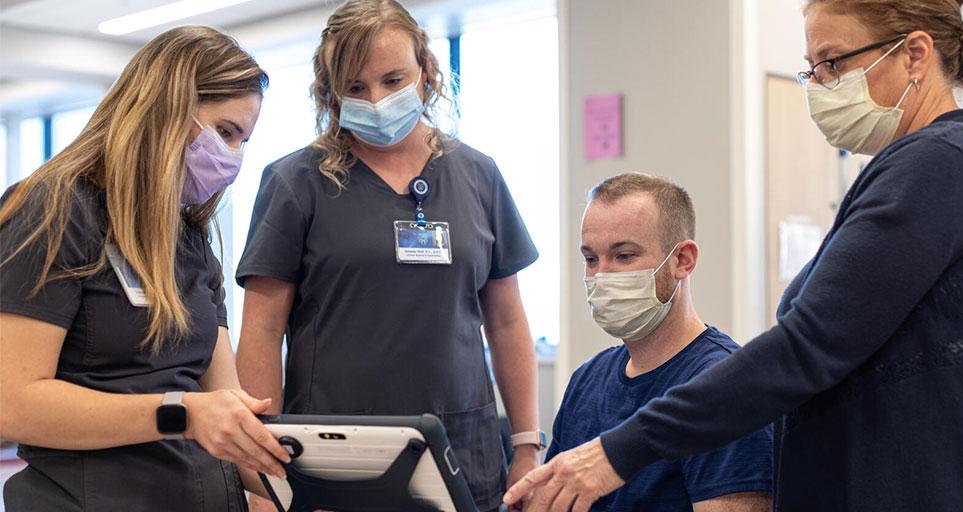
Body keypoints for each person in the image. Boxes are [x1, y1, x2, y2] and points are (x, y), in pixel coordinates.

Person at [505, 1, 963, 511]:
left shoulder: (944, 162)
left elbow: (808, 347)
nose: (819, 84)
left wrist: (619, 451)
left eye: (833, 63)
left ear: (914, 54)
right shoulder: (931, 164)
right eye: (811, 69)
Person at [234, 1, 542, 510]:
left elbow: (507, 321)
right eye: (355, 87)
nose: (376, 99)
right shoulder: (295, 183)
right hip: (333, 457)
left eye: (393, 79)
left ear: (425, 70)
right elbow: (262, 333)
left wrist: (527, 445)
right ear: (330, 92)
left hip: (464, 448)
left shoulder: (478, 175)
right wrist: (264, 471)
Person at [0, 26, 291, 511]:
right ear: (166, 107)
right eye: (224, 132)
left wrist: (307, 493)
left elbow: (224, 404)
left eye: (242, 140)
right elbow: (12, 404)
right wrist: (179, 414)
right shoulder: (54, 210)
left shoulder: (190, 240)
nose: (232, 157)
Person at [545, 173, 773, 512]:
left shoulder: (727, 390)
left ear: (683, 260)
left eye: (623, 256)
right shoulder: (586, 380)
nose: (602, 276)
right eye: (591, 259)